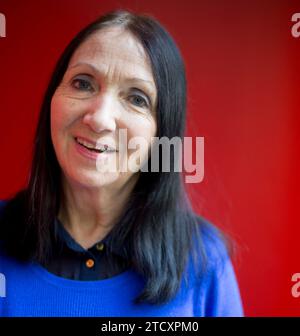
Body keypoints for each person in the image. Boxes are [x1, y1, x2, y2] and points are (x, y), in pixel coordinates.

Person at [0, 10, 243, 317]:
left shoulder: (205, 261)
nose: (99, 118)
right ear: (53, 99)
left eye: (137, 99)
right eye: (83, 83)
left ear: (161, 133)